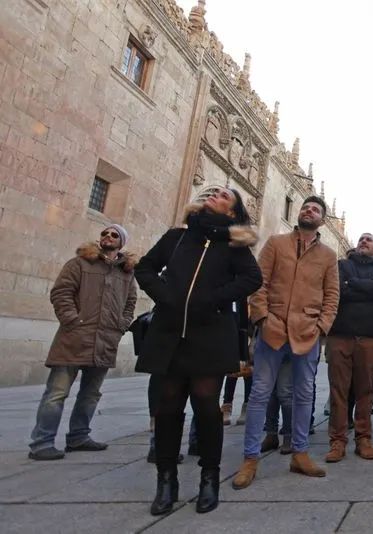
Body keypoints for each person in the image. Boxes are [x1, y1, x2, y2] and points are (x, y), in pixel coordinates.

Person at [136, 189, 262, 514]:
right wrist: (164, 295)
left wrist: (214, 299)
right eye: (214, 191)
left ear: (231, 213)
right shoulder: (177, 237)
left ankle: (209, 477)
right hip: (169, 331)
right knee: (167, 405)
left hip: (210, 332)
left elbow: (252, 278)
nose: (216, 194)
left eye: (224, 196)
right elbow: (145, 268)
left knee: (206, 404)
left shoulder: (234, 245)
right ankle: (166, 481)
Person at [232, 196, 339, 490]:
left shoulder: (328, 256)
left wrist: (322, 326)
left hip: (308, 332)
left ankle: (300, 453)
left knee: (304, 394)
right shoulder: (276, 243)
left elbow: (332, 295)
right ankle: (250, 458)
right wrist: (262, 319)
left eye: (315, 209)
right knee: (259, 394)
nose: (309, 210)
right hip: (273, 329)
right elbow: (259, 282)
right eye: (306, 207)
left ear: (322, 220)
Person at [28, 224, 138, 461]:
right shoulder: (79, 263)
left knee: (90, 394)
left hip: (105, 341)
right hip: (74, 338)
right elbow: (61, 293)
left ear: (121, 242)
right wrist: (72, 320)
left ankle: (79, 436)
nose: (108, 236)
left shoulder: (127, 273)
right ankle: (42, 442)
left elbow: (131, 302)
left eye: (114, 235)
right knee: (56, 393)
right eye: (105, 233)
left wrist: (121, 325)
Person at [326, 233, 373, 462]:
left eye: (369, 239)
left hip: (369, 338)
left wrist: (352, 283)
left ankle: (363, 438)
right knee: (338, 391)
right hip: (340, 336)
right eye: (362, 238)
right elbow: (339, 292)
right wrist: (368, 288)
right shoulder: (341, 265)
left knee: (365, 391)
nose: (364, 241)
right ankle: (337, 440)